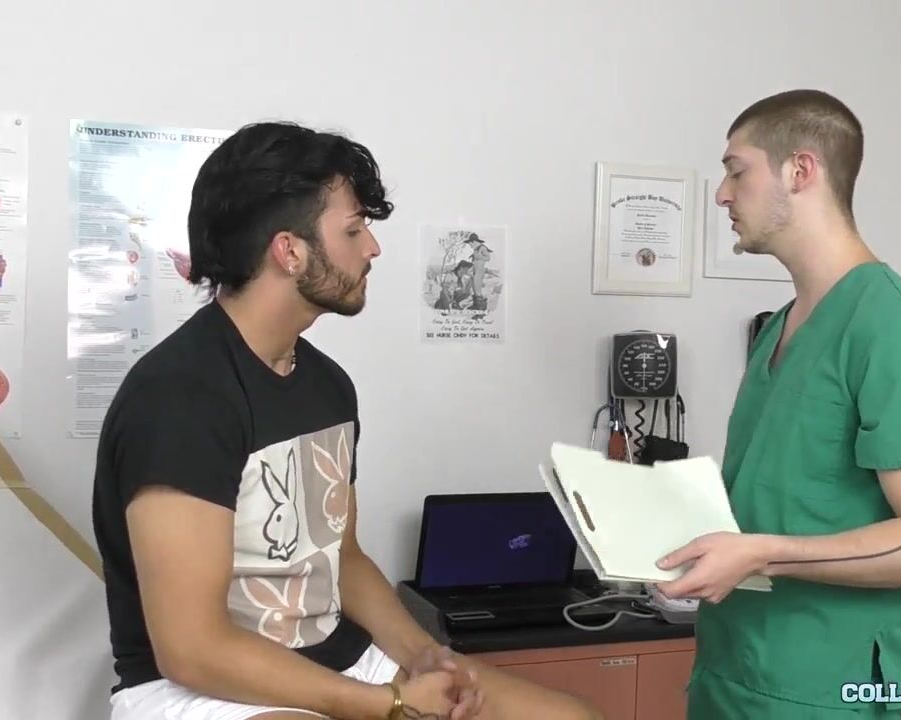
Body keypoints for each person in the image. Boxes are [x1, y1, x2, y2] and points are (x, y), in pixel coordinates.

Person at [91, 121, 603, 720]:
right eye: (354, 230)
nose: (373, 249)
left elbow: (343, 557)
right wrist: (386, 703)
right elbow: (193, 649)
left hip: (338, 660)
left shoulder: (327, 384)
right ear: (289, 251)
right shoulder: (180, 398)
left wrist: (425, 657)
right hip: (197, 686)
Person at [653, 90, 901, 718]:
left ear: (800, 170)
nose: (722, 194)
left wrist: (763, 553)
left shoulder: (896, 331)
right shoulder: (782, 325)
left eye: (736, 171)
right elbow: (786, 494)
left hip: (823, 686)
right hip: (736, 664)